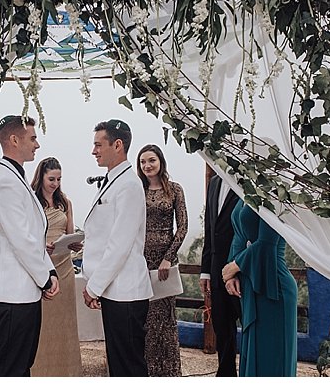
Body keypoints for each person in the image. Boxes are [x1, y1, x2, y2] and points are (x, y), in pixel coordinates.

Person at [0, 115, 60, 377]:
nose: (37, 145)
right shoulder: (5, 182)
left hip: (23, 294)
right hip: (13, 296)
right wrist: (45, 279)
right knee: (9, 370)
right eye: (33, 138)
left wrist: (50, 271)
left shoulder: (15, 178)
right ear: (14, 140)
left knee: (21, 367)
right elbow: (21, 241)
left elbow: (34, 236)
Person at [82, 119, 153, 377]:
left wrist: (93, 287)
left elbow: (120, 245)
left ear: (118, 145)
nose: (94, 151)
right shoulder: (114, 180)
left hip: (126, 292)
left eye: (98, 144)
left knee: (129, 367)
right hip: (115, 290)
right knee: (119, 364)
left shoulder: (130, 185)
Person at [222, 199, 298, 377]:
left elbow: (267, 242)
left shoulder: (273, 192)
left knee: (273, 360)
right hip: (250, 283)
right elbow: (239, 235)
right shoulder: (245, 191)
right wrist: (231, 274)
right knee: (254, 354)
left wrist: (234, 266)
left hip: (275, 285)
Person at [136, 144, 188, 376]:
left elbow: (183, 226)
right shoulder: (137, 189)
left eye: (151, 160)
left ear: (161, 162)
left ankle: (167, 372)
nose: (147, 165)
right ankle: (144, 371)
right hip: (140, 260)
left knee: (165, 319)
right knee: (142, 316)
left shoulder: (175, 189)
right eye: (143, 162)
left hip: (164, 263)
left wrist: (168, 258)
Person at [29, 157, 84, 376]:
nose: (55, 183)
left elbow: (69, 232)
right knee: (42, 324)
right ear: (41, 177)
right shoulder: (32, 202)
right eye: (51, 179)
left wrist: (74, 242)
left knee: (65, 323)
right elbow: (28, 237)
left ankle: (67, 372)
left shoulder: (65, 203)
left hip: (65, 267)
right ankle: (41, 371)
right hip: (42, 267)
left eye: (59, 179)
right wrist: (43, 246)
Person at [199, 173, 241, 376]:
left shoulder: (247, 179)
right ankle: (226, 374)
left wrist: (238, 266)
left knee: (249, 325)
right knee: (222, 328)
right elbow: (210, 228)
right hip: (216, 269)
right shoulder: (214, 182)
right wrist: (206, 270)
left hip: (241, 269)